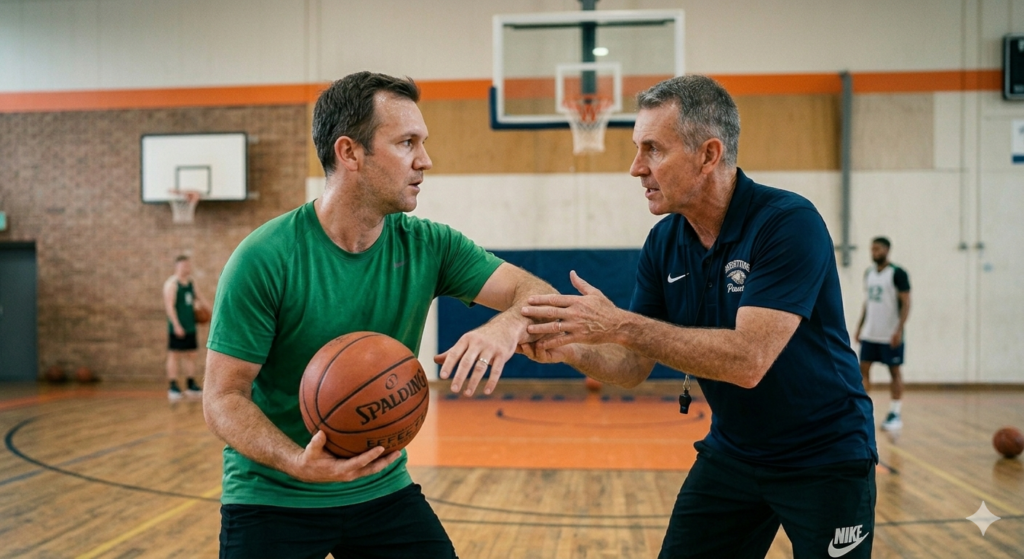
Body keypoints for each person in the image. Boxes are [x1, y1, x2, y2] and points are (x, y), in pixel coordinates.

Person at [519, 75, 877, 559]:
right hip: (734, 452)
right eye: (636, 149)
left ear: (708, 155)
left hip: (826, 456)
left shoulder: (788, 223)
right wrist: (566, 348)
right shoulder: (665, 241)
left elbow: (748, 361)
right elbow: (632, 366)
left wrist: (619, 324)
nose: (635, 168)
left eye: (652, 149)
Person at [202, 72, 553, 558]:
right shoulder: (265, 258)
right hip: (274, 495)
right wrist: (296, 461)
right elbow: (223, 397)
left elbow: (536, 293)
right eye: (407, 143)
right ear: (350, 153)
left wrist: (506, 326)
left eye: (422, 143)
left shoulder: (431, 245)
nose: (425, 160)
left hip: (381, 492)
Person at [855, 236, 911, 431]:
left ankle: (895, 412)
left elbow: (906, 303)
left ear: (887, 250)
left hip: (890, 333)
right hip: (870, 332)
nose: (874, 252)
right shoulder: (869, 273)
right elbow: (868, 302)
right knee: (863, 370)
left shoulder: (897, 273)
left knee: (894, 371)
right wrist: (860, 326)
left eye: (877, 249)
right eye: (872, 249)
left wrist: (899, 329)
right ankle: (862, 411)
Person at [163, 255, 209, 402]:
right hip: (177, 326)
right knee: (174, 355)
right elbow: (169, 307)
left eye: (188, 265)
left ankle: (190, 384)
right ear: (177, 266)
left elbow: (200, 298)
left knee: (192, 354)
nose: (187, 268)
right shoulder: (172, 284)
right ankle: (173, 386)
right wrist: (176, 325)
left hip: (190, 326)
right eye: (184, 266)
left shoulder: (191, 282)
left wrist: (213, 312)